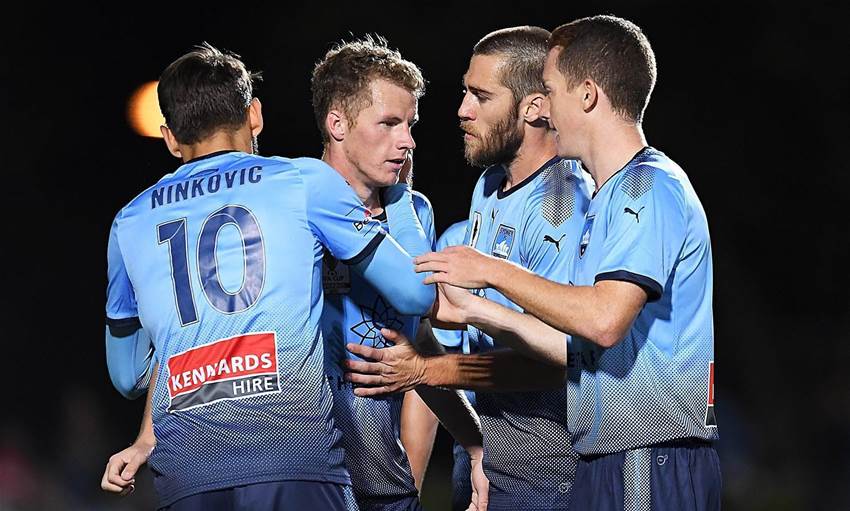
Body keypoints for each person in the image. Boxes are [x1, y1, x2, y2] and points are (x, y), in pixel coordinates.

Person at [390, 15, 722, 510]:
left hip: (650, 450)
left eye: (550, 89)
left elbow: (604, 321)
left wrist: (492, 273)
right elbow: (577, 349)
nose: (545, 109)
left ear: (586, 95)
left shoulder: (648, 188)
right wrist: (476, 311)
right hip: (608, 452)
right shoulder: (613, 194)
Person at [101, 42, 437, 510]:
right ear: (254, 115)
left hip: (187, 468)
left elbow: (127, 374)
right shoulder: (301, 181)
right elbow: (417, 294)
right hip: (291, 452)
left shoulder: (128, 222)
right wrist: (400, 197)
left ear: (171, 139)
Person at [349, 27, 592, 511]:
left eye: (481, 95)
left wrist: (429, 369)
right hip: (490, 446)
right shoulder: (489, 185)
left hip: (550, 466)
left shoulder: (565, 205)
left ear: (536, 107)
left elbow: (562, 365)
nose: (462, 109)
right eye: (465, 91)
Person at [310, 36, 488, 511]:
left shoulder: (413, 212)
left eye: (410, 125)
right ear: (338, 124)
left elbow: (417, 342)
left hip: (384, 477)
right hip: (300, 469)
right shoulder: (293, 205)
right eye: (388, 124)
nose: (406, 141)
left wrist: (474, 443)